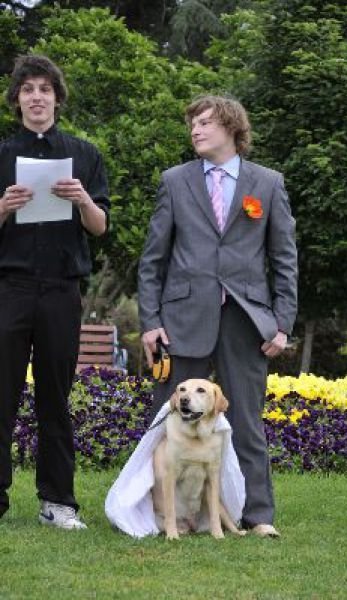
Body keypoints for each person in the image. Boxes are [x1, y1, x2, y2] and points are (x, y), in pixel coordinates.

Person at [138, 95, 297, 537]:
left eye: (205, 122)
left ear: (231, 128)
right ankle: (160, 516)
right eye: (192, 123)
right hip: (182, 318)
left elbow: (284, 258)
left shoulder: (267, 184)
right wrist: (150, 321)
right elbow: (154, 260)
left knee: (246, 421)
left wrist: (282, 323)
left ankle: (259, 516)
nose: (195, 130)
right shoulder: (174, 181)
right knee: (167, 424)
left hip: (246, 320)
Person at [0, 55, 110, 529]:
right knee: (1, 395)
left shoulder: (85, 154)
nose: (37, 96)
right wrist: (2, 207)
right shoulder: (2, 154)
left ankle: (58, 502)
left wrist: (83, 199)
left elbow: (100, 227)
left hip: (62, 291)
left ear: (57, 98)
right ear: (17, 99)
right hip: (10, 288)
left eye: (45, 89)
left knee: (55, 399)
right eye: (28, 89)